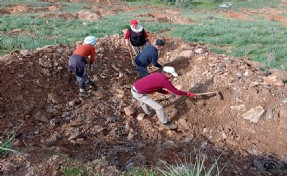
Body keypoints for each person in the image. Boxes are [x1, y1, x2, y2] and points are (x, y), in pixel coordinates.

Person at [131, 66, 196, 130]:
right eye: (171, 75)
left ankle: (149, 113)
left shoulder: (157, 74)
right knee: (159, 107)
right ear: (167, 74)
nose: (172, 76)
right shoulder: (164, 81)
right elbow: (176, 92)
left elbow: (156, 87)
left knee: (143, 102)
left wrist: (167, 93)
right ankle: (165, 123)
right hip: (139, 93)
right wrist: (188, 93)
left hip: (134, 88)